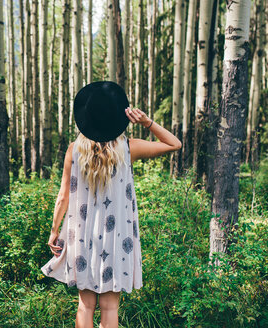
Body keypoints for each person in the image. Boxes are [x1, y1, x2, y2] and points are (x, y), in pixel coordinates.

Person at [40, 81, 182, 328]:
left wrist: (54, 231)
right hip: (116, 237)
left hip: (81, 236)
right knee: (110, 307)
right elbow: (174, 144)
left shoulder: (74, 150)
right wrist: (147, 122)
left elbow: (63, 196)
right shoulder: (128, 148)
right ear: (118, 118)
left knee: (85, 306)